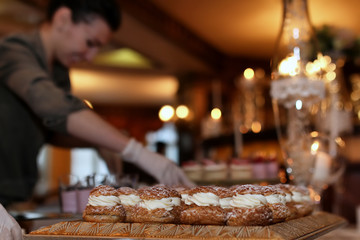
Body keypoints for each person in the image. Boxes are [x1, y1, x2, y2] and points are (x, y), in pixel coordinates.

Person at [0, 0, 194, 238]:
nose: (91, 56)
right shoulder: (13, 49)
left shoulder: (58, 72)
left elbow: (51, 130)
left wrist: (99, 141)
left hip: (15, 202)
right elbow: (53, 107)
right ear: (63, 19)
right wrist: (135, 151)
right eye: (90, 43)